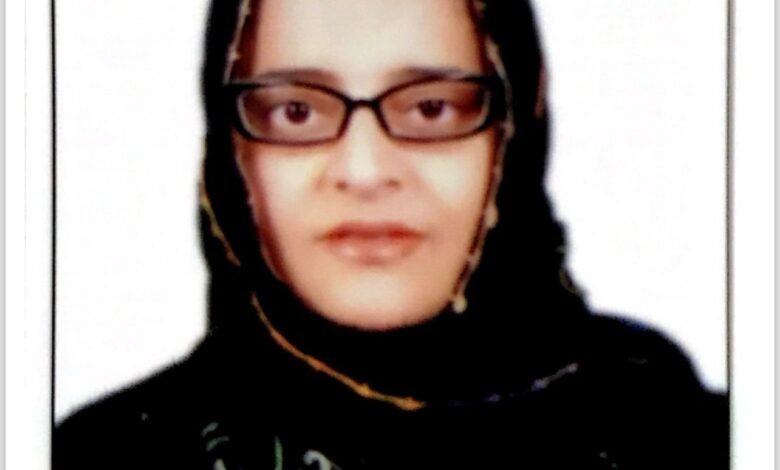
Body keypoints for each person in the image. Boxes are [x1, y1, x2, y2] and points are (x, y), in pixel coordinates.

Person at [55, 0, 728, 468]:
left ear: (513, 132)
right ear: (232, 158)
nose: (365, 171)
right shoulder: (106, 458)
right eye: (295, 112)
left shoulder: (683, 438)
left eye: (432, 108)